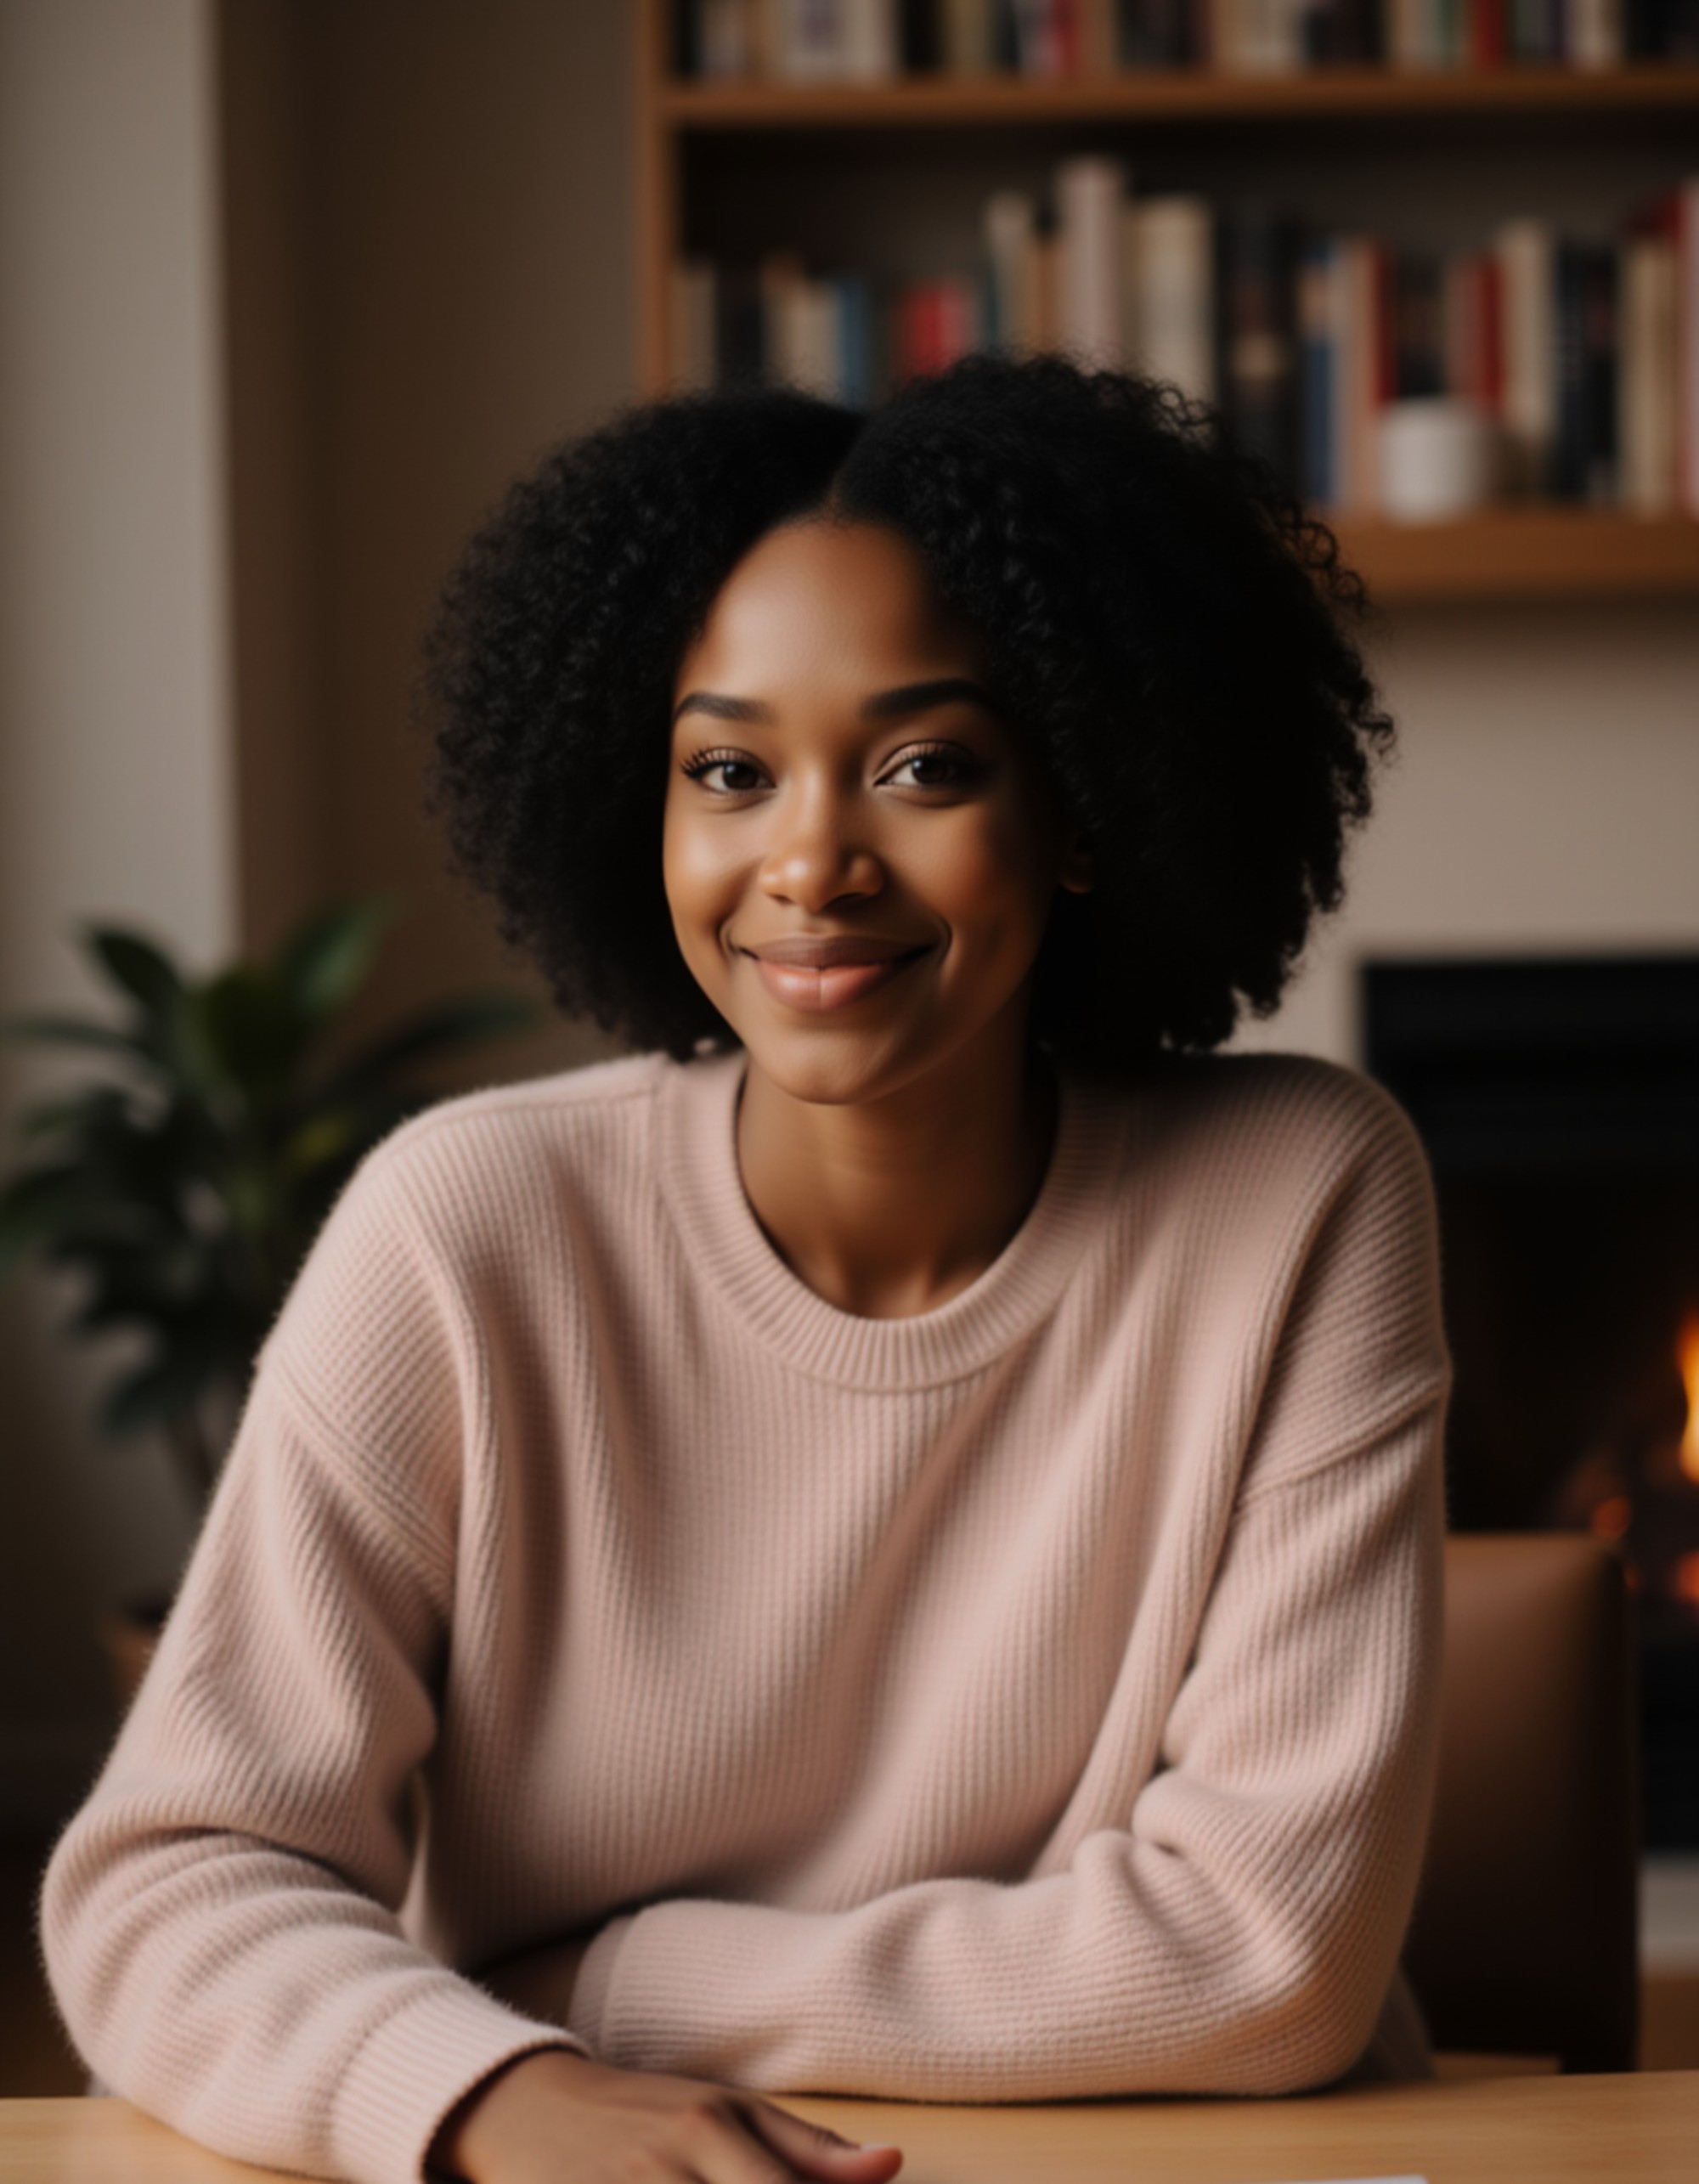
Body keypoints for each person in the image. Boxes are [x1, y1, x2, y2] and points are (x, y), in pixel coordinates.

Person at [40, 353, 1449, 2184]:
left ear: (1088, 803)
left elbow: (1269, 1962)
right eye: (727, 768)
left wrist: (590, 1986)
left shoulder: (1296, 1196)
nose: (809, 859)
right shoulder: (465, 1230)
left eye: (924, 765)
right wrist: (479, 2090)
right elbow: (170, 1883)